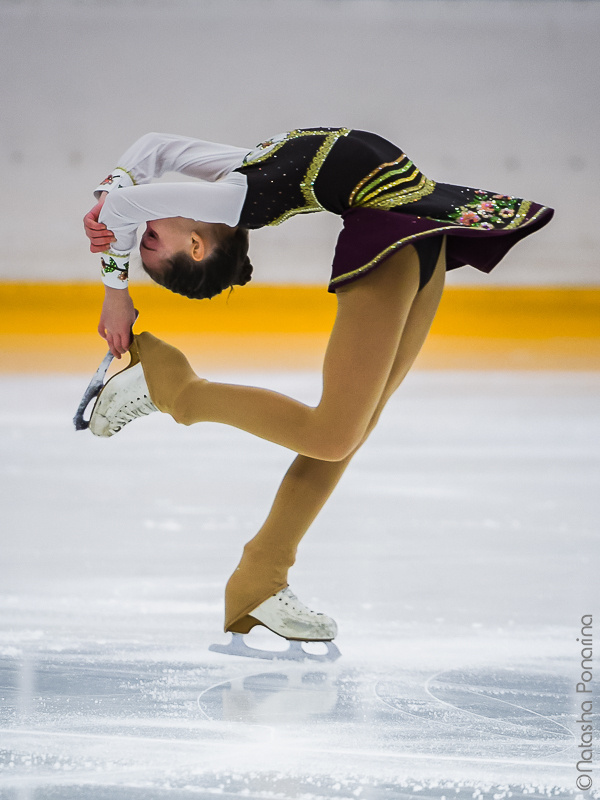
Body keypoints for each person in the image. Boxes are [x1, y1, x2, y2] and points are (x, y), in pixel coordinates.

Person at [83, 128, 553, 647]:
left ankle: (260, 577)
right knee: (333, 436)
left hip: (422, 230)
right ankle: (175, 389)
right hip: (393, 240)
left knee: (354, 428)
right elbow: (123, 205)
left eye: (146, 240)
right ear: (196, 246)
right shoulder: (234, 195)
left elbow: (151, 154)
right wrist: (114, 268)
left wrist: (110, 201)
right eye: (149, 241)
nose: (141, 231)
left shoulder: (241, 176)